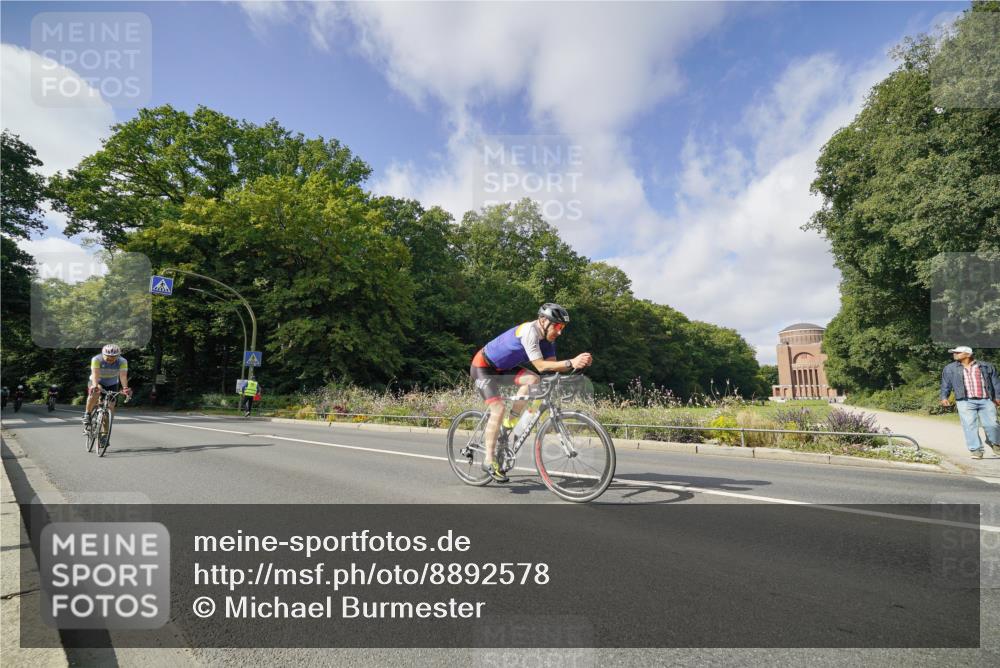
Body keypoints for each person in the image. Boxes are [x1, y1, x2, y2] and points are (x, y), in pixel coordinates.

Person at [469, 303, 592, 482]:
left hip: (503, 368)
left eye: (562, 327)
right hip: (483, 366)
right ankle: (489, 460)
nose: (560, 332)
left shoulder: (549, 340)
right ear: (543, 321)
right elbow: (541, 365)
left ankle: (509, 424)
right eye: (557, 326)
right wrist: (571, 362)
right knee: (498, 408)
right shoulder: (530, 332)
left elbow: (549, 369)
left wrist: (578, 367)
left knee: (533, 379)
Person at [940, 346, 1000, 460]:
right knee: (969, 426)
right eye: (954, 353)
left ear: (968, 354)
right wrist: (944, 397)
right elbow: (945, 384)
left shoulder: (986, 366)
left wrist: (998, 397)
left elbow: (996, 383)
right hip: (965, 401)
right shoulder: (950, 368)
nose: (955, 354)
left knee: (992, 424)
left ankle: (996, 443)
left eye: (958, 353)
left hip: (986, 400)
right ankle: (976, 450)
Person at [83, 344, 132, 432]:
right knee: (96, 392)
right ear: (103, 355)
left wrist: (125, 388)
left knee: (109, 408)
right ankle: (87, 414)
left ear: (118, 356)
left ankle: (104, 435)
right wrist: (95, 385)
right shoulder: (96, 359)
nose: (111, 360)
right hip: (97, 381)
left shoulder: (122, 361)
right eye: (108, 357)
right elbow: (95, 374)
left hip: (112, 383)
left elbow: (123, 376)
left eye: (114, 357)